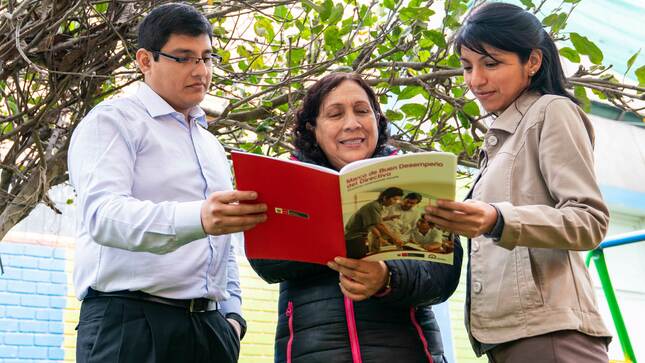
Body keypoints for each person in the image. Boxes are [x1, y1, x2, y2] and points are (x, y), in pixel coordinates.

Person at [67, 4, 267, 363]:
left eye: (207, 57)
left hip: (210, 329)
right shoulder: (113, 122)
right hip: (130, 324)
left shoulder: (210, 144)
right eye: (184, 57)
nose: (201, 71)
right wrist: (200, 218)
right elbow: (104, 216)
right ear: (145, 61)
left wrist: (233, 317)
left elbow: (223, 243)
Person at [425, 3, 611, 362]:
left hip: (551, 335)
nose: (475, 80)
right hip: (507, 338)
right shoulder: (500, 137)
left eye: (491, 63)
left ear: (533, 62)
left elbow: (590, 220)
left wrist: (498, 219)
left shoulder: (551, 111)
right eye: (467, 67)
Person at [249, 73, 463, 363]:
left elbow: (442, 278)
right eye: (335, 114)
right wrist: (330, 234)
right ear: (312, 128)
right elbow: (266, 263)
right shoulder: (286, 181)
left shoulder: (415, 179)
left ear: (377, 119)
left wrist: (388, 278)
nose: (352, 123)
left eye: (362, 111)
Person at [344, 187, 404, 256]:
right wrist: (395, 238)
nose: (395, 202)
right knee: (360, 259)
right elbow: (378, 225)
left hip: (357, 237)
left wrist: (387, 219)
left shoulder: (377, 206)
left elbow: (375, 222)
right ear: (385, 198)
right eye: (394, 199)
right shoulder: (373, 206)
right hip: (353, 238)